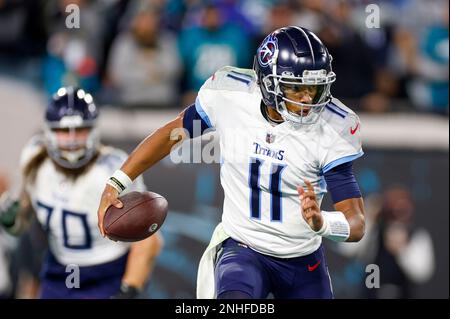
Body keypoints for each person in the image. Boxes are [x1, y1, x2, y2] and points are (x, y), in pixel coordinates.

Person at [97, 26, 366, 299]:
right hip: (242, 250)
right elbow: (171, 135)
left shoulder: (333, 126)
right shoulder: (232, 95)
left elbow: (356, 223)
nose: (308, 99)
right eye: (297, 88)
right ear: (269, 84)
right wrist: (117, 182)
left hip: (302, 259)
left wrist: (323, 224)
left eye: (314, 88)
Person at [0, 87, 163, 298]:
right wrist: (14, 217)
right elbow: (24, 213)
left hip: (108, 271)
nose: (72, 139)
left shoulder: (112, 170)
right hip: (60, 268)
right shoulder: (34, 158)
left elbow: (148, 240)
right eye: (63, 131)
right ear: (49, 132)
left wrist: (129, 288)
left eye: (80, 130)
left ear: (94, 130)